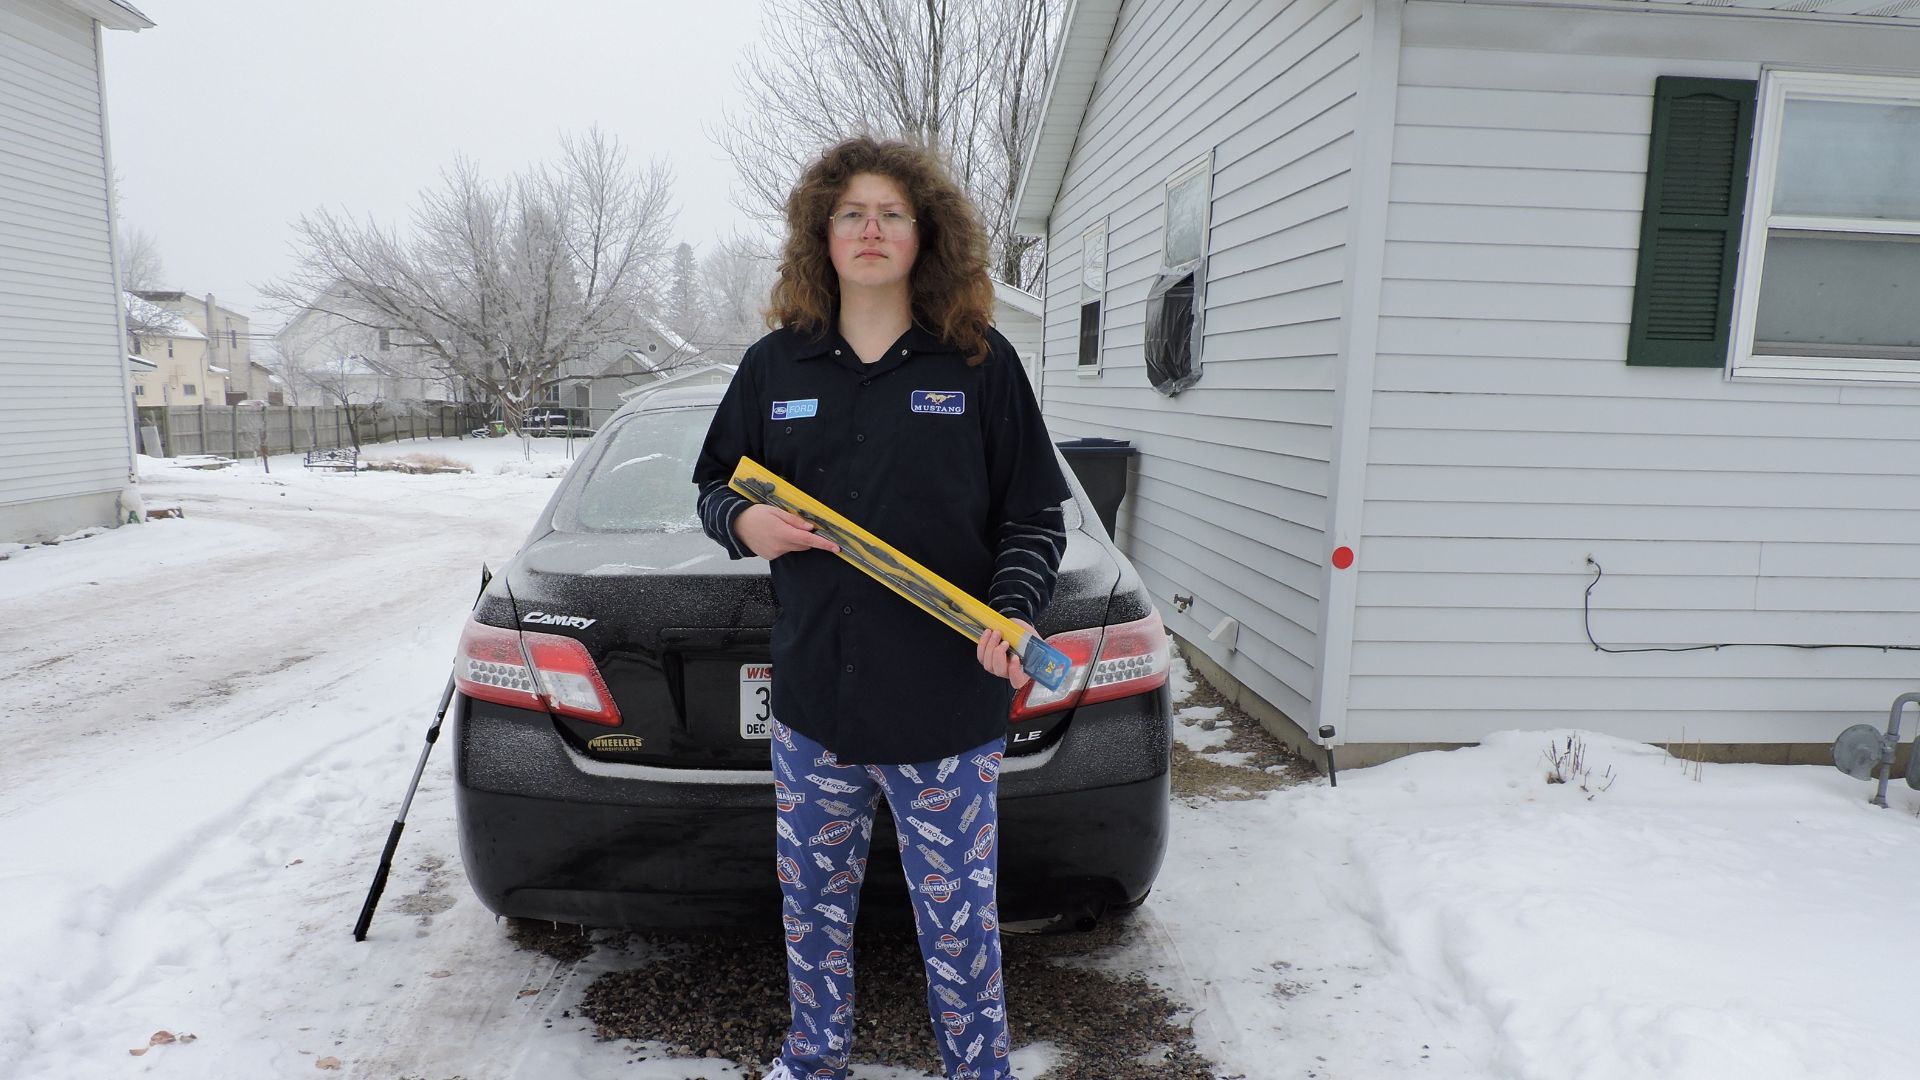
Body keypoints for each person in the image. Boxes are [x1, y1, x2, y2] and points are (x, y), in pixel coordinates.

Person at [692, 136, 1069, 1080]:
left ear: (923, 232)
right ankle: (814, 1060)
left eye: (891, 213)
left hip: (947, 710)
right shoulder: (775, 368)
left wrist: (1013, 612)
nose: (870, 228)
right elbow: (712, 487)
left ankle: (976, 1068)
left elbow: (1033, 517)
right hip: (816, 707)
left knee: (958, 924)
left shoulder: (979, 366)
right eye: (851, 212)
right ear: (822, 234)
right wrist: (747, 524)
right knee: (812, 910)